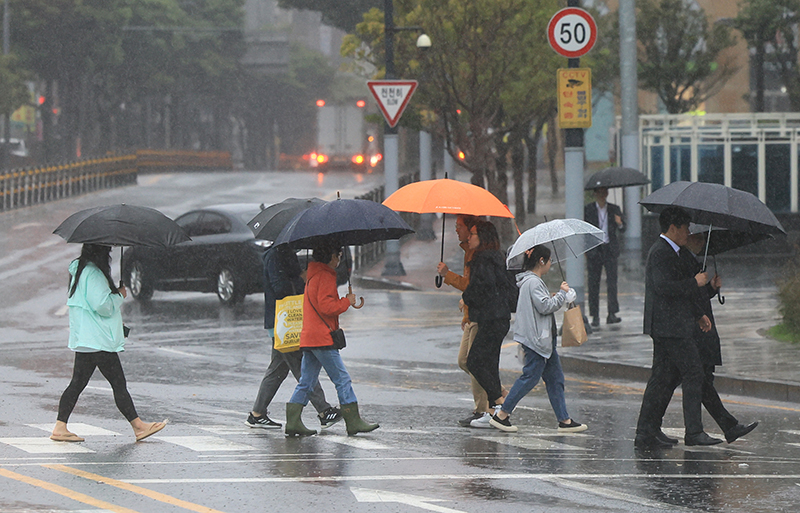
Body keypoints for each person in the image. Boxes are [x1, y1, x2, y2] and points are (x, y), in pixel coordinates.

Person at [51, 244, 166, 443]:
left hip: (87, 338)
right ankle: (138, 426)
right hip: (98, 340)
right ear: (101, 252)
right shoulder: (93, 273)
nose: (109, 256)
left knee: (78, 383)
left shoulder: (79, 269)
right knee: (118, 384)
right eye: (107, 252)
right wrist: (119, 295)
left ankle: (60, 426)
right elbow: (101, 306)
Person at [634, 207, 721, 449]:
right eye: (685, 228)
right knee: (693, 374)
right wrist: (694, 282)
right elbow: (664, 288)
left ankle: (646, 431)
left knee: (662, 379)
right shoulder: (661, 252)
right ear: (673, 228)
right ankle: (693, 432)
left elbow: (682, 294)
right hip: (669, 326)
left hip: (672, 324)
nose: (689, 233)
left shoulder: (675, 252)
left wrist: (701, 310)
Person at [489, 245, 587, 434]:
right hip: (537, 340)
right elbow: (544, 306)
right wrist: (561, 295)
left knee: (555, 379)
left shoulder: (532, 282)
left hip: (543, 340)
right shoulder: (533, 282)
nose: (551, 264)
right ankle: (502, 415)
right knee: (530, 377)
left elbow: (539, 303)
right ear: (541, 261)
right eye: (549, 260)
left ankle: (564, 420)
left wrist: (556, 295)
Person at [285, 241, 378, 437]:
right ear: (331, 257)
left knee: (306, 381)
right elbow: (327, 307)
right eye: (338, 256)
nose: (339, 260)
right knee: (342, 378)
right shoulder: (325, 276)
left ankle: (293, 421)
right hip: (322, 338)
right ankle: (353, 421)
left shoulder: (312, 275)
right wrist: (347, 301)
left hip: (310, 337)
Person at [245, 244, 341, 430]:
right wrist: (301, 279)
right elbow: (280, 287)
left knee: (278, 370)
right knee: (300, 365)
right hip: (283, 321)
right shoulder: (275, 256)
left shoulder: (285, 254)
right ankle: (324, 410)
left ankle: (257, 414)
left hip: (285, 321)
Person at [675, 233, 758, 443]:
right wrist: (697, 286)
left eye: (704, 239)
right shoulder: (683, 260)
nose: (702, 243)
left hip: (702, 329)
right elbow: (685, 295)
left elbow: (698, 295)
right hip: (696, 331)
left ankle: (727, 427)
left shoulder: (693, 261)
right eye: (698, 238)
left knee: (702, 383)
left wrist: (710, 288)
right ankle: (704, 430)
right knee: (697, 382)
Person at [436, 214, 493, 428]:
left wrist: (447, 274)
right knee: (465, 361)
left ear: (471, 231)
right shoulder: (468, 251)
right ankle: (493, 396)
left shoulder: (478, 255)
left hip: (479, 315)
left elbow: (471, 286)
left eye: (459, 226)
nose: (456, 230)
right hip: (471, 314)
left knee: (473, 361)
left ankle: (486, 406)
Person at [462, 220, 513, 428]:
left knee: (474, 361)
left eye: (473, 234)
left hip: (490, 318)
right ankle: (494, 410)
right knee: (490, 364)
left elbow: (481, 288)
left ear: (483, 237)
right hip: (500, 318)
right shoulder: (498, 257)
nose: (469, 237)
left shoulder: (482, 260)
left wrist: (466, 296)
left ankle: (500, 405)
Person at [584, 187, 625, 327]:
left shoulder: (614, 209)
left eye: (604, 192)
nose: (602, 195)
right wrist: (587, 250)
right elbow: (585, 231)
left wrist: (619, 223)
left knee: (612, 283)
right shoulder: (588, 209)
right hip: (595, 250)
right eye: (599, 193)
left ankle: (612, 313)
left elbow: (623, 228)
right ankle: (595, 315)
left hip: (610, 249)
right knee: (593, 283)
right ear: (595, 194)